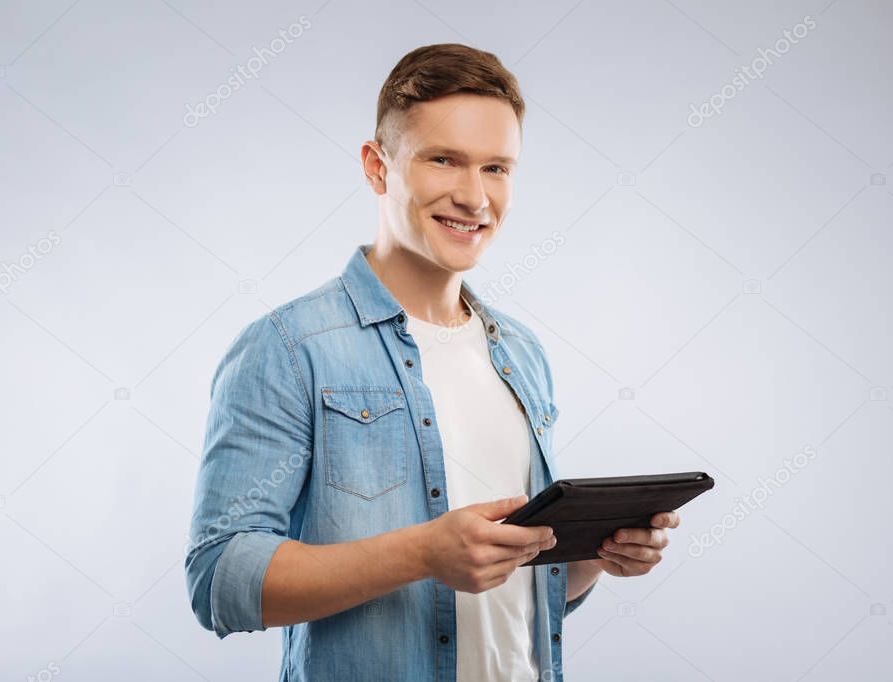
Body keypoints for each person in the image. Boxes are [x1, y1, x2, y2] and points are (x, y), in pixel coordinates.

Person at [184, 42, 680, 681]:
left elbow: (515, 597)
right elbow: (219, 580)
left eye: (497, 168)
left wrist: (591, 560)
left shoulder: (521, 354)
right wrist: (422, 553)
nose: (475, 198)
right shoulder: (288, 347)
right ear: (377, 166)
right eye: (445, 160)